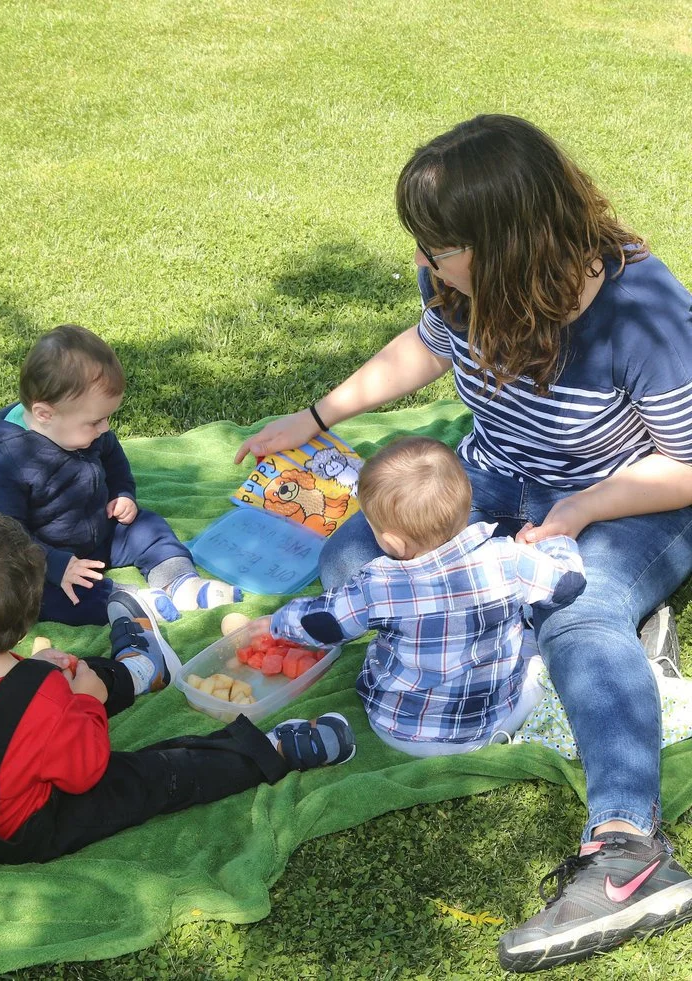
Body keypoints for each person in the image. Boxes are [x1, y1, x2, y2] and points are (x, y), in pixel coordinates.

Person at [235, 115, 692, 970]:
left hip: (631, 495)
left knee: (580, 617)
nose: (423, 263)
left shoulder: (647, 315)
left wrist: (586, 508)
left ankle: (631, 851)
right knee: (348, 562)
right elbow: (427, 346)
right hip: (497, 474)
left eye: (439, 247)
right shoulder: (454, 281)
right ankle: (542, 621)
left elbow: (690, 463)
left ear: (509, 243)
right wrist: (317, 415)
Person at [0, 507, 356, 865]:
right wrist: (87, 705)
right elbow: (85, 772)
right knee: (152, 777)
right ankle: (271, 751)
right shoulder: (46, 700)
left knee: (64, 674)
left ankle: (142, 669)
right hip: (23, 830)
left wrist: (39, 678)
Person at [271, 435, 585, 755]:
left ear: (393, 543)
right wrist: (549, 544)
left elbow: (322, 623)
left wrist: (279, 621)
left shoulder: (378, 583)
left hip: (395, 726)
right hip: (487, 726)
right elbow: (568, 584)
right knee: (535, 656)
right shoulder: (507, 559)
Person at [0, 324, 242, 627]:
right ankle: (126, 601)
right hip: (47, 556)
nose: (105, 429)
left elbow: (113, 459)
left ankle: (177, 580)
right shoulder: (6, 459)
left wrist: (123, 492)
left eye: (106, 418)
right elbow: (2, 533)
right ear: (44, 414)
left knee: (148, 526)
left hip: (103, 532)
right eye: (96, 421)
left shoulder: (85, 429)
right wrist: (54, 563)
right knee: (45, 596)